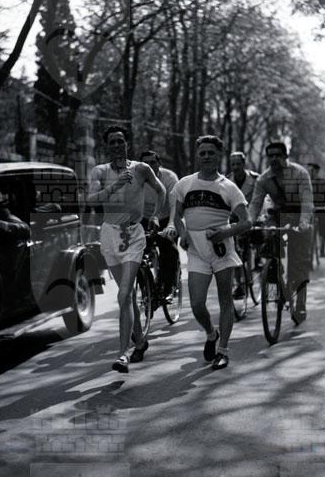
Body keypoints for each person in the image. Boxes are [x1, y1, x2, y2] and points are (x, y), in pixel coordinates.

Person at [163, 135, 251, 370]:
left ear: (219, 155)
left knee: (225, 300)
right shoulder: (185, 184)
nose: (206, 157)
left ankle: (223, 351)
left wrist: (224, 233)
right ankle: (211, 333)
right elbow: (176, 216)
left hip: (221, 249)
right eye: (202, 153)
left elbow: (247, 222)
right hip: (196, 249)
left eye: (211, 152)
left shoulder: (228, 187)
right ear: (197, 156)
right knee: (197, 304)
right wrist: (182, 233)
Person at [88, 126, 166, 373]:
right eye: (112, 142)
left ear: (127, 144)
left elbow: (161, 190)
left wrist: (155, 216)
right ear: (106, 146)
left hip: (134, 234)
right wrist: (115, 186)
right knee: (128, 296)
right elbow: (91, 199)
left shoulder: (141, 169)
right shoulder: (99, 171)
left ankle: (122, 355)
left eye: (120, 141)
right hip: (110, 234)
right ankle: (140, 341)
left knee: (124, 294)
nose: (117, 145)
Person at [249, 141, 313, 325]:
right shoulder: (263, 179)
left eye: (278, 155)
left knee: (299, 263)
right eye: (271, 155)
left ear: (286, 156)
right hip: (277, 217)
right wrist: (249, 222)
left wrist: (304, 222)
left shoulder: (299, 173)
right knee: (269, 250)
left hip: (299, 216)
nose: (274, 158)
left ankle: (300, 303)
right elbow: (255, 204)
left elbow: (307, 201)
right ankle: (273, 287)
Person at [140, 150, 180, 299]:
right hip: (145, 217)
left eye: (153, 163)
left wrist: (171, 225)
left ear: (159, 164)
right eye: (145, 164)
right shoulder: (134, 178)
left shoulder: (169, 178)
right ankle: (146, 287)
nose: (149, 166)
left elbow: (175, 206)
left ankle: (168, 287)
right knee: (135, 252)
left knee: (168, 249)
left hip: (166, 216)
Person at [228, 151, 260, 296]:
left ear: (244, 164)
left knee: (257, 239)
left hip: (252, 217)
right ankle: (239, 284)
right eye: (233, 164)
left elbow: (260, 199)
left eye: (238, 164)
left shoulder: (255, 179)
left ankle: (258, 259)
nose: (235, 167)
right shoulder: (226, 180)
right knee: (234, 252)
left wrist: (257, 217)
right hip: (234, 219)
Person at [307, 163, 325, 258]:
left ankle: (322, 249)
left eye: (312, 170)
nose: (310, 172)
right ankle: (307, 248)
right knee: (304, 227)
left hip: (321, 208)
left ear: (317, 171)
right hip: (309, 209)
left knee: (323, 228)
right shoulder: (305, 182)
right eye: (309, 170)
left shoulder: (322, 182)